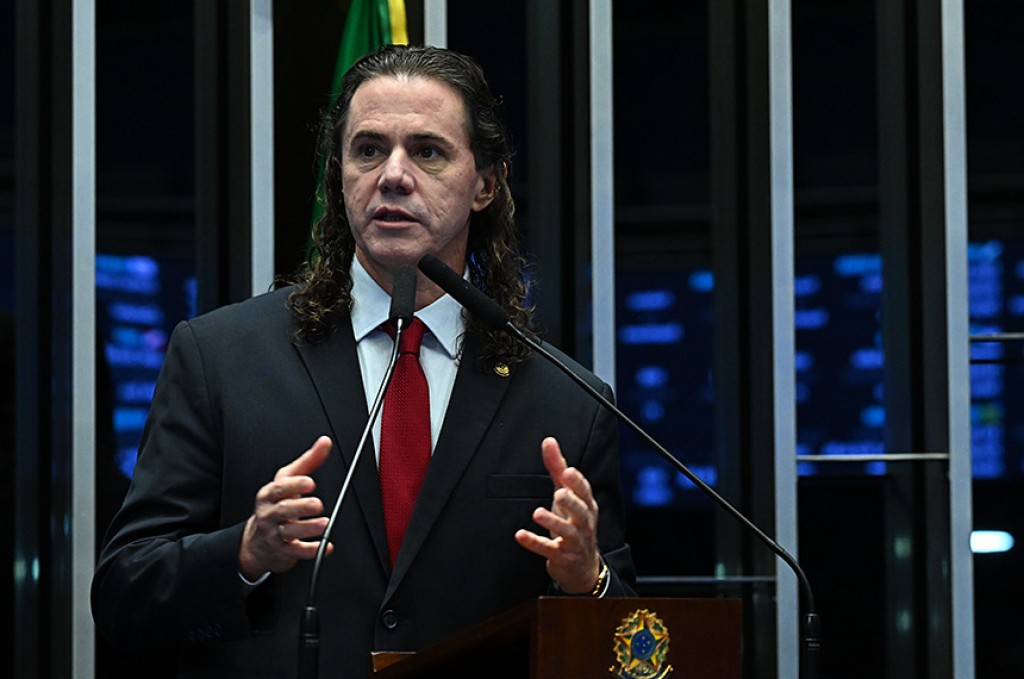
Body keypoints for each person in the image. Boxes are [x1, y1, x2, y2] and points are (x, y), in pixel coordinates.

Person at [92, 44, 635, 677]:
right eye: (369, 150)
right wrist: (244, 552)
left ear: (486, 184)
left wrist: (586, 580)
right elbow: (124, 594)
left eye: (427, 152)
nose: (393, 175)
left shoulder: (567, 400)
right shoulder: (220, 358)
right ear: (341, 174)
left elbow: (636, 644)